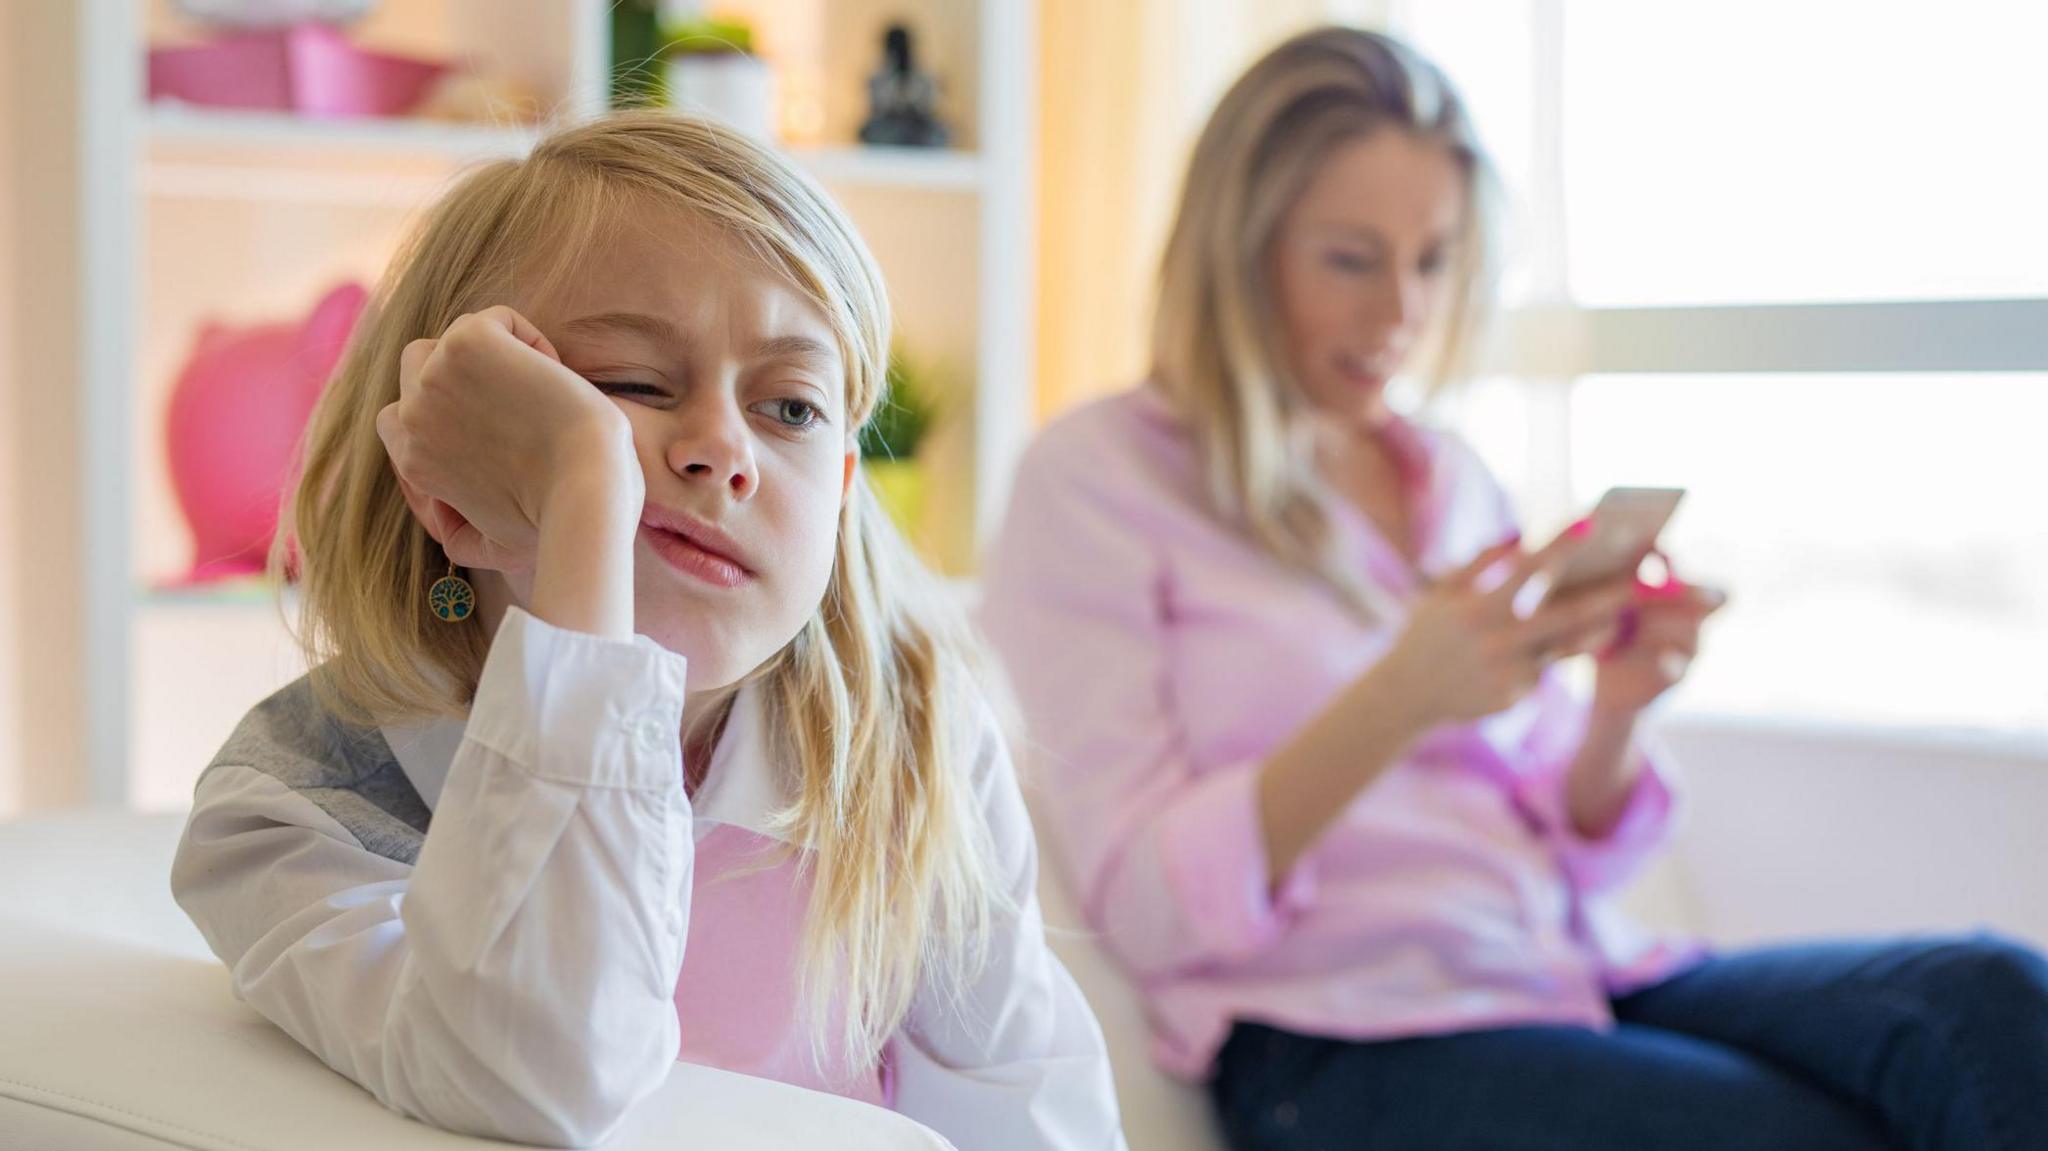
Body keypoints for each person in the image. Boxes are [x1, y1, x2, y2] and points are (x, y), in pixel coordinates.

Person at [980, 26, 2048, 1151]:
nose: (1398, 311)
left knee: (1988, 999)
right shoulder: (1096, 477)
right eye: (1349, 258)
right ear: (1235, 251)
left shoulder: (1447, 474)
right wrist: (1396, 696)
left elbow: (1561, 828)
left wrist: (1616, 709)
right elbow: (1143, 906)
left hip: (1564, 968)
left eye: (1432, 260)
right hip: (1342, 1037)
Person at [172, 111, 1123, 1150]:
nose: (723, 449)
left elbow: (1033, 1118)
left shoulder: (912, 743)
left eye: (792, 409)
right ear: (444, 464)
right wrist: (585, 501)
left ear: (843, 490)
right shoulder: (305, 796)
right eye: (628, 383)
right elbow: (540, 1074)